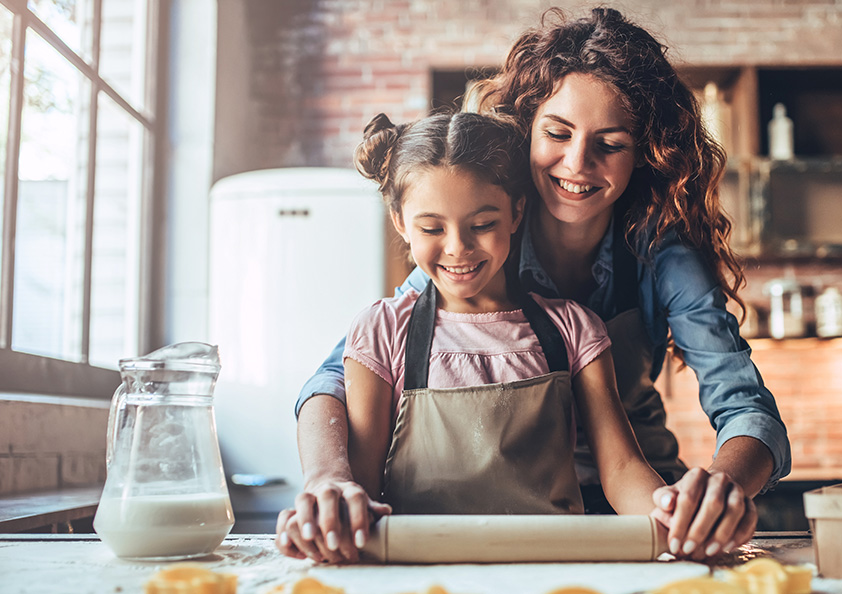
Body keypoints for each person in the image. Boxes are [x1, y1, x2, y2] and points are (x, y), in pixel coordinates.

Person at [281, 7, 791, 564]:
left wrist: (718, 490)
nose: (578, 162)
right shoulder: (479, 243)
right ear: (526, 130)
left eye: (611, 144)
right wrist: (329, 480)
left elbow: (744, 405)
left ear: (645, 151)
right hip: (489, 521)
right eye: (557, 133)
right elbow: (338, 378)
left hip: (637, 514)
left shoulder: (659, 254)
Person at [277, 110, 667, 562]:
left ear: (516, 212)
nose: (457, 247)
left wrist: (670, 515)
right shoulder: (381, 330)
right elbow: (359, 482)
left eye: (481, 224)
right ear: (400, 220)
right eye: (431, 228)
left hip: (549, 571)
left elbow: (622, 469)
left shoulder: (574, 329)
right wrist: (333, 515)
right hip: (416, 575)